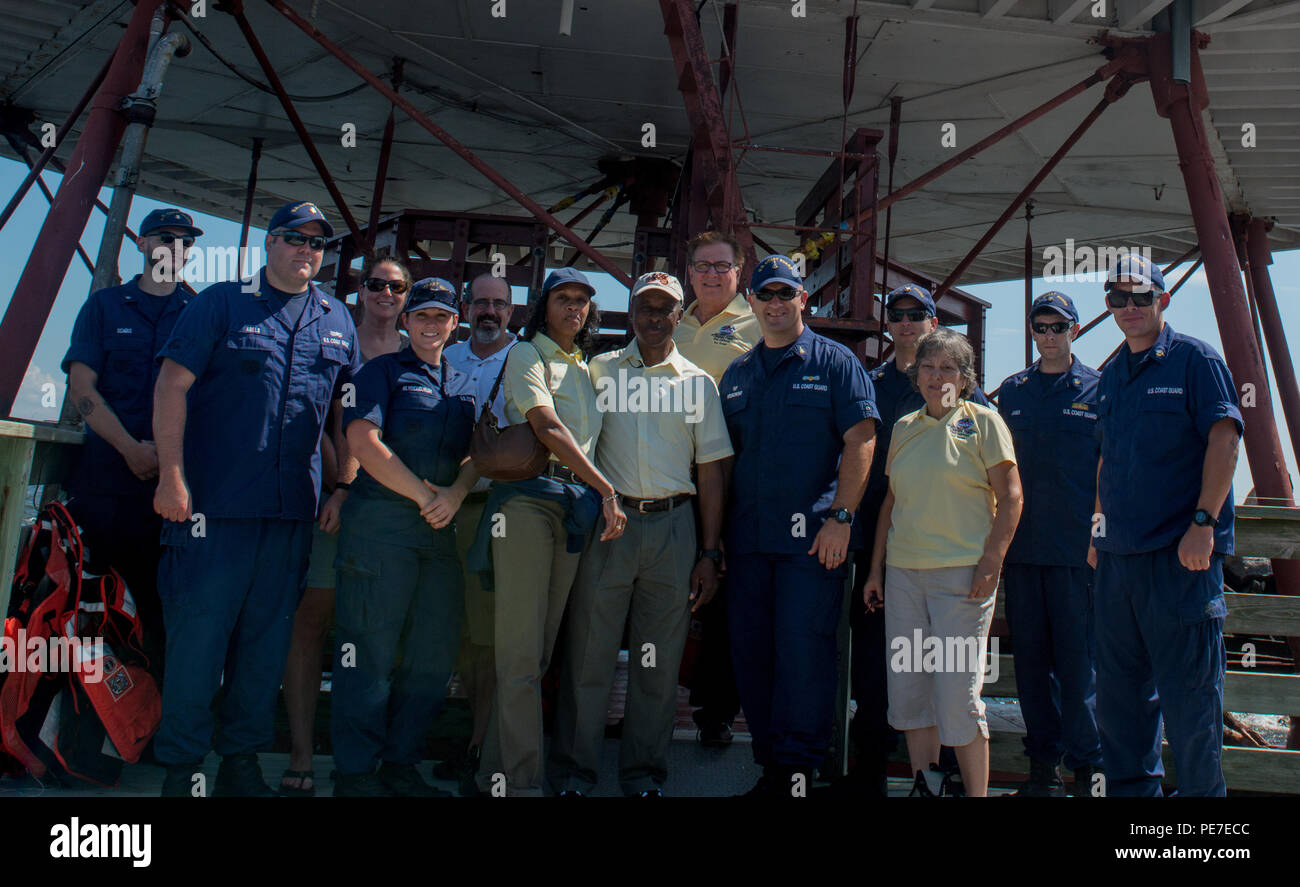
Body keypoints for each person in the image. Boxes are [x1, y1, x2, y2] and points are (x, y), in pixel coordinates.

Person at [152, 201, 360, 797]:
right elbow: (172, 384)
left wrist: (343, 485)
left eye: (318, 243)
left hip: (290, 512)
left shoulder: (336, 319)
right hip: (210, 511)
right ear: (270, 243)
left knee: (265, 647)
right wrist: (171, 476)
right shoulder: (221, 302)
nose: (307, 251)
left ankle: (239, 764)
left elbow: (342, 416)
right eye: (295, 238)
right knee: (198, 644)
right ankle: (182, 767)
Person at [550, 271, 733, 796]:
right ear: (631, 314)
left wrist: (709, 551)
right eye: (645, 308)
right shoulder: (600, 372)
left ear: (680, 315)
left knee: (658, 661)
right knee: (589, 653)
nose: (655, 317)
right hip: (613, 524)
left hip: (675, 527)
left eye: (665, 308)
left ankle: (644, 775)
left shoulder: (698, 383)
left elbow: (711, 471)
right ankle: (573, 775)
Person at [719, 254, 879, 797]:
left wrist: (840, 518)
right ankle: (770, 767)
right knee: (753, 652)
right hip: (747, 542)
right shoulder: (737, 374)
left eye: (787, 293)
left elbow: (861, 440)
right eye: (765, 294)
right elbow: (722, 461)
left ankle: (797, 772)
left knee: (803, 652)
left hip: (812, 544)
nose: (776, 303)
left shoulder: (836, 363)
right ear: (752, 302)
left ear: (803, 301)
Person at [468, 267, 626, 797]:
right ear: (544, 305)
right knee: (518, 656)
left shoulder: (583, 366)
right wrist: (606, 490)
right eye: (564, 298)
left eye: (583, 300)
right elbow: (547, 426)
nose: (574, 308)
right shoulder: (525, 354)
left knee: (534, 656)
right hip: (528, 504)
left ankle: (492, 775)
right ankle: (522, 784)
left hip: (570, 506)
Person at [1088, 254, 1241, 797]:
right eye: (1116, 299)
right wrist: (1096, 529)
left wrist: (1203, 522)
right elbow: (1107, 460)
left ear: (1163, 301)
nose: (1128, 308)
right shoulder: (1110, 376)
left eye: (1140, 298)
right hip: (1118, 564)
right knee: (1119, 701)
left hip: (1182, 559)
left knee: (1191, 702)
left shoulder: (1195, 361)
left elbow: (1225, 439)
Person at [329, 278, 479, 797]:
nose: (431, 326)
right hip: (382, 532)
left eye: (442, 317)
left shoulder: (461, 383)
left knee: (432, 654)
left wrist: (456, 495)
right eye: (422, 317)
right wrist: (423, 496)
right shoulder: (379, 373)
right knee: (368, 653)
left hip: (437, 537)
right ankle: (355, 773)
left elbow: (475, 455)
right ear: (406, 322)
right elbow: (362, 443)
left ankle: (400, 764)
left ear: (454, 324)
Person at [863, 326, 1022, 798]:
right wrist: (876, 570)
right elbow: (891, 504)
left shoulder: (985, 423)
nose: (937, 376)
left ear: (966, 377)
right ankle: (925, 786)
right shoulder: (905, 428)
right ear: (917, 376)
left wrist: (992, 560)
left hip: (962, 579)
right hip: (905, 576)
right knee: (911, 692)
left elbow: (1011, 496)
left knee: (957, 695)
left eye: (948, 368)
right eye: (928, 367)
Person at [847, 283, 991, 796]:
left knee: (952, 683)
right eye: (897, 314)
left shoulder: (974, 407)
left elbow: (1006, 488)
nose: (905, 322)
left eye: (917, 314)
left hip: (952, 557)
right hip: (888, 550)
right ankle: (878, 776)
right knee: (882, 675)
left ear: (933, 321)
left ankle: (953, 779)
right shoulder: (873, 384)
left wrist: (993, 559)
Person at [278, 255, 411, 797]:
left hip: (396, 514)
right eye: (376, 283)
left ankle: (375, 759)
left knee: (383, 633)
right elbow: (323, 423)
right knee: (311, 618)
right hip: (338, 504)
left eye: (396, 286)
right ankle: (303, 752)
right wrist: (342, 487)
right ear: (360, 290)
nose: (385, 293)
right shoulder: (336, 338)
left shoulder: (420, 350)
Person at [61, 207, 202, 680]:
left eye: (186, 241)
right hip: (105, 485)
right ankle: (84, 736)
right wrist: (130, 448)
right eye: (164, 237)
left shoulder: (200, 312)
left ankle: (148, 732)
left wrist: (164, 460)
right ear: (140, 244)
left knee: (162, 610)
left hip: (173, 494)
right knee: (92, 608)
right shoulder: (103, 307)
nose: (175, 248)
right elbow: (82, 389)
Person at [996, 292, 1104, 797]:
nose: (1049, 336)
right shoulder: (1011, 392)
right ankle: (1043, 772)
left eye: (1058, 327)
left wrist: (1097, 538)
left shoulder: (1099, 391)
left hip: (1074, 557)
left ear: (1075, 330)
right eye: (1041, 327)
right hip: (1021, 555)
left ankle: (1087, 772)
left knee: (1080, 671)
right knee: (1033, 671)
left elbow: (1112, 470)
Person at [672, 231, 759, 747]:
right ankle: (657, 702)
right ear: (689, 273)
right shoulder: (671, 325)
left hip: (733, 476)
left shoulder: (758, 322)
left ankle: (716, 711)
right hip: (673, 477)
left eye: (721, 266)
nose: (711, 274)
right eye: (702, 265)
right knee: (671, 591)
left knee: (724, 598)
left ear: (739, 272)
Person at [437, 273, 517, 792]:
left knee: (491, 640)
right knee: (462, 635)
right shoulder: (445, 356)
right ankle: (469, 739)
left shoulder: (528, 359)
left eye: (499, 304)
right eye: (480, 303)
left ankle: (481, 750)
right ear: (466, 307)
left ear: (513, 310)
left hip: (499, 508)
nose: (489, 311)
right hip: (441, 510)